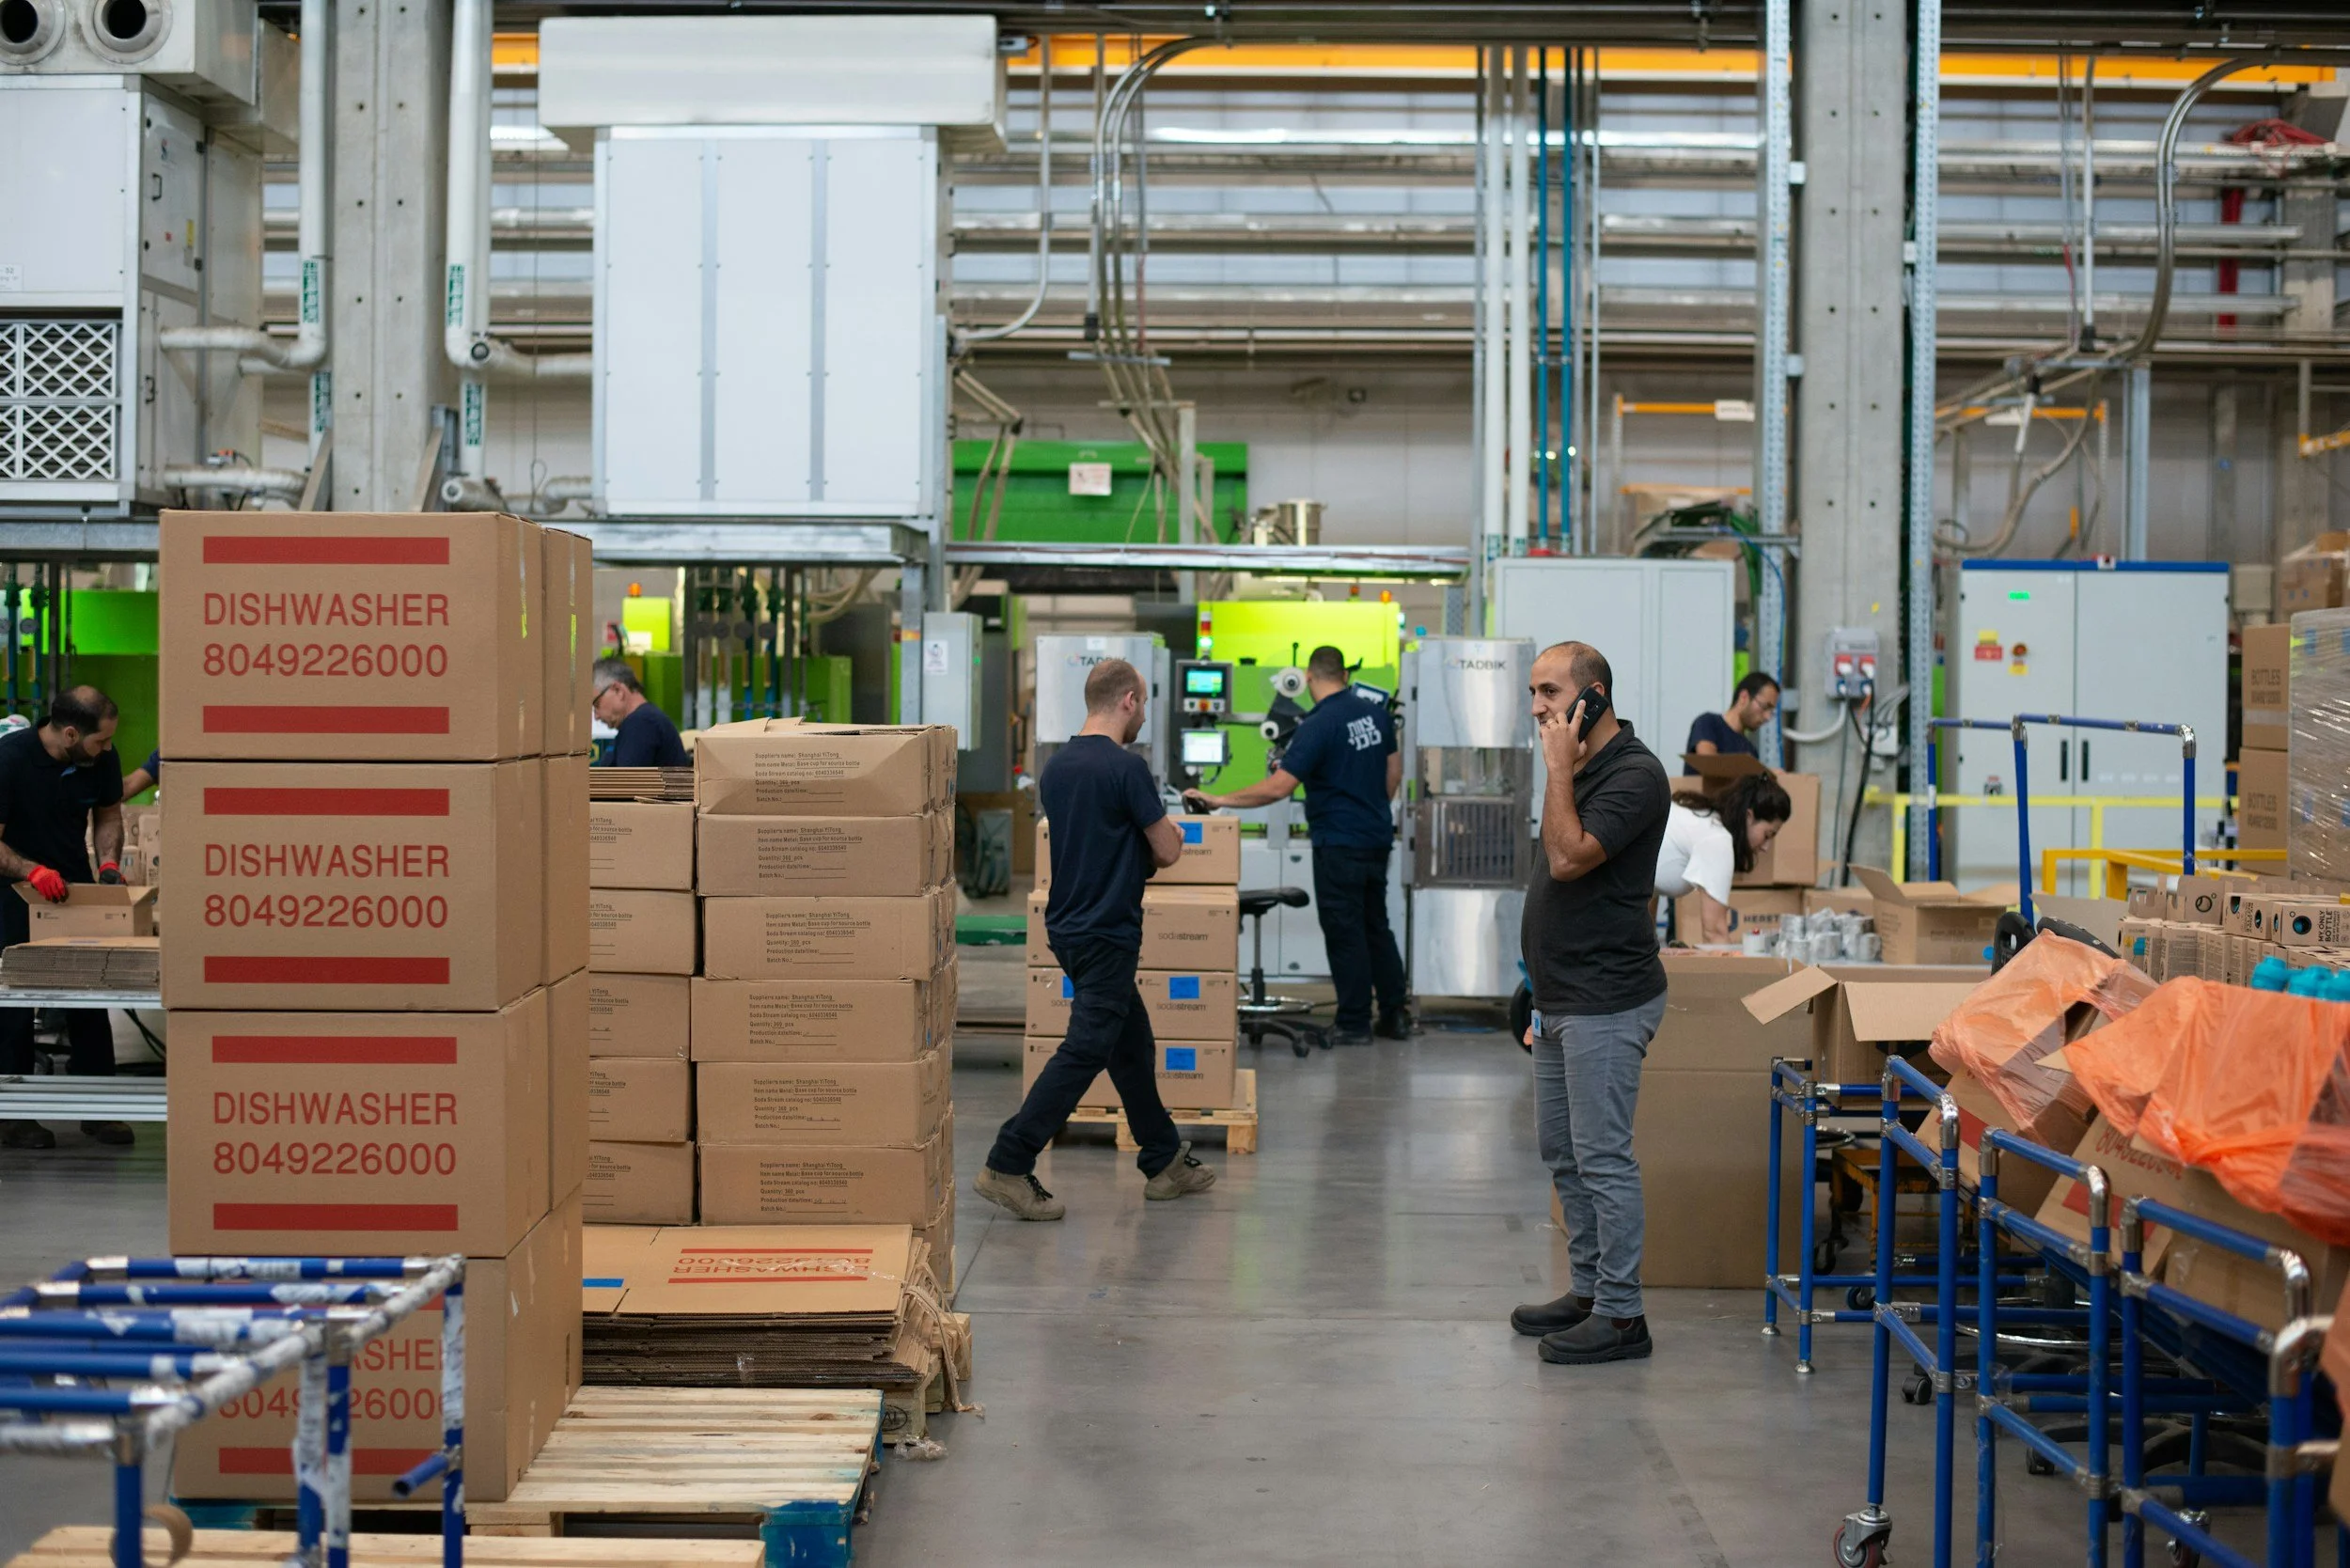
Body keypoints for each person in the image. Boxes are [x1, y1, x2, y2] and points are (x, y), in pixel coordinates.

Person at [975, 658, 1217, 1219]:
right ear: (1129, 700)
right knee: (1086, 1048)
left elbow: (1094, 839)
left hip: (1068, 926)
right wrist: (1170, 830)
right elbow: (1167, 850)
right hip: (1108, 930)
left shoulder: (1057, 768)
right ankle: (1008, 1162)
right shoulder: (1126, 768)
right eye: (1144, 706)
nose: (1142, 717)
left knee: (1131, 1046)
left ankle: (1163, 1162)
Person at [1511, 641, 1671, 1366]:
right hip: (1561, 996)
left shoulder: (1636, 776)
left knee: (1602, 1156)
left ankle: (1622, 1314)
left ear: (1594, 697)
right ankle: (1586, 1293)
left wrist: (1555, 769)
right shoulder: (1576, 769)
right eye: (1534, 693)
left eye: (1549, 691)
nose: (1538, 706)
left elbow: (1571, 856)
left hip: (1607, 999)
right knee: (1564, 1152)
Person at [1183, 644, 1407, 1043]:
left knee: (1344, 931)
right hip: (1375, 837)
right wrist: (1370, 806)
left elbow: (1280, 786)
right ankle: (1394, 1015)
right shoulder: (1375, 713)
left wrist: (1219, 799)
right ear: (1344, 673)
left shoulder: (1319, 724)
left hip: (1339, 842)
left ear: (1307, 676)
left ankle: (1354, 1024)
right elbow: (1394, 771)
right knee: (1376, 926)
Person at [0, 687, 134, 1151]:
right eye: (100, 741)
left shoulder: (101, 759)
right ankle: (13, 1118)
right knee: (14, 1002)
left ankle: (101, 1109)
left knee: (89, 991)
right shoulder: (10, 760)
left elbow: (109, 813)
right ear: (72, 733)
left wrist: (110, 863)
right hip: (13, 889)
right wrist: (30, 870)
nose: (108, 749)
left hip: (73, 885)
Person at [1656, 774, 1794, 945]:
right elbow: (1714, 932)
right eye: (1768, 835)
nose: (1766, 847)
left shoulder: (1702, 818)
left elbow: (1646, 881)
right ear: (1748, 817)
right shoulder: (1717, 840)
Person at [590, 658, 689, 768]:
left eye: (597, 704)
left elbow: (626, 782)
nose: (596, 716)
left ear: (618, 690)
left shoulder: (641, 723)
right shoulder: (643, 721)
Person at [1685, 670, 1780, 758]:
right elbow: (1709, 762)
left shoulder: (1750, 751)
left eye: (1771, 712)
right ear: (1744, 697)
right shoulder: (1708, 723)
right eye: (1764, 707)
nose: (1767, 717)